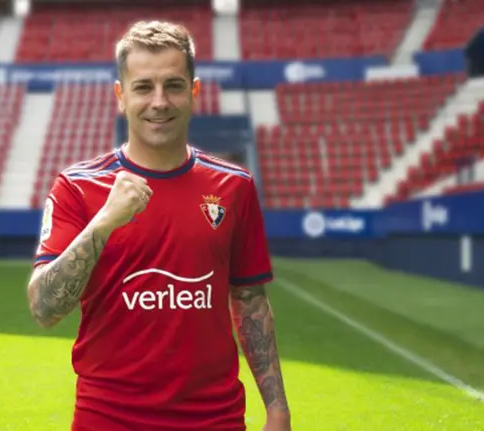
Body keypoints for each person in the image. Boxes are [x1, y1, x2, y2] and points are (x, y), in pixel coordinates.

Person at [27, 20, 292, 431]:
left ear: (194, 91)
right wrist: (104, 222)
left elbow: (250, 301)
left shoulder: (234, 187)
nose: (159, 101)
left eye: (173, 85)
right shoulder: (77, 188)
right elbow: (44, 308)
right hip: (108, 420)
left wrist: (276, 408)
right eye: (143, 87)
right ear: (121, 96)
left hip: (214, 419)